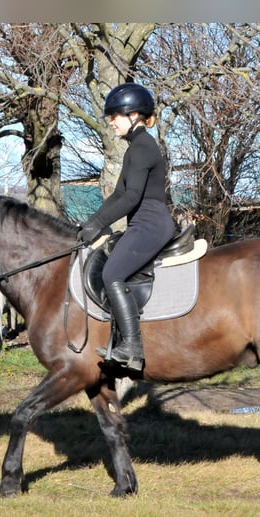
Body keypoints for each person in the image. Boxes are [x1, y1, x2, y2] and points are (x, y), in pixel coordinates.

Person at [77, 82, 176, 371]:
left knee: (112, 273)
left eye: (115, 116)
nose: (111, 122)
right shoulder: (136, 148)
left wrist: (99, 223)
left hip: (151, 223)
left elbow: (132, 197)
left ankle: (132, 347)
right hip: (142, 222)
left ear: (134, 115)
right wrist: (91, 222)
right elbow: (119, 195)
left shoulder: (144, 147)